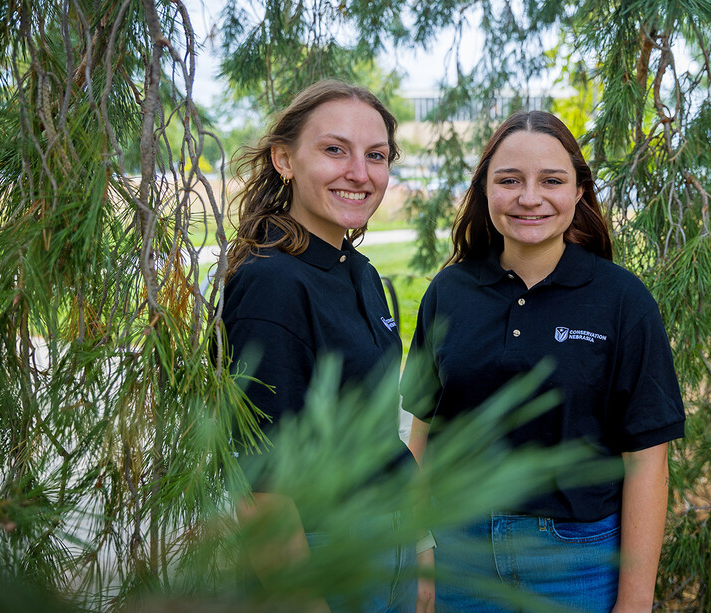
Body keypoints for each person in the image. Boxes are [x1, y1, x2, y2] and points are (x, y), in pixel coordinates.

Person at [401, 110, 685, 613]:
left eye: (551, 180)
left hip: (577, 564)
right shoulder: (449, 292)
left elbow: (646, 461)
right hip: (458, 556)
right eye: (509, 180)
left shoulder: (622, 301)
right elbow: (420, 433)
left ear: (578, 192)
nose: (529, 197)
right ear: (485, 190)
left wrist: (636, 600)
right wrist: (419, 551)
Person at [220, 79, 434, 612]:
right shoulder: (273, 283)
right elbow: (260, 484)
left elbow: (379, 434)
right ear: (284, 159)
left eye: (376, 155)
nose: (359, 173)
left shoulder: (357, 270)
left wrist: (419, 551)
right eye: (334, 149)